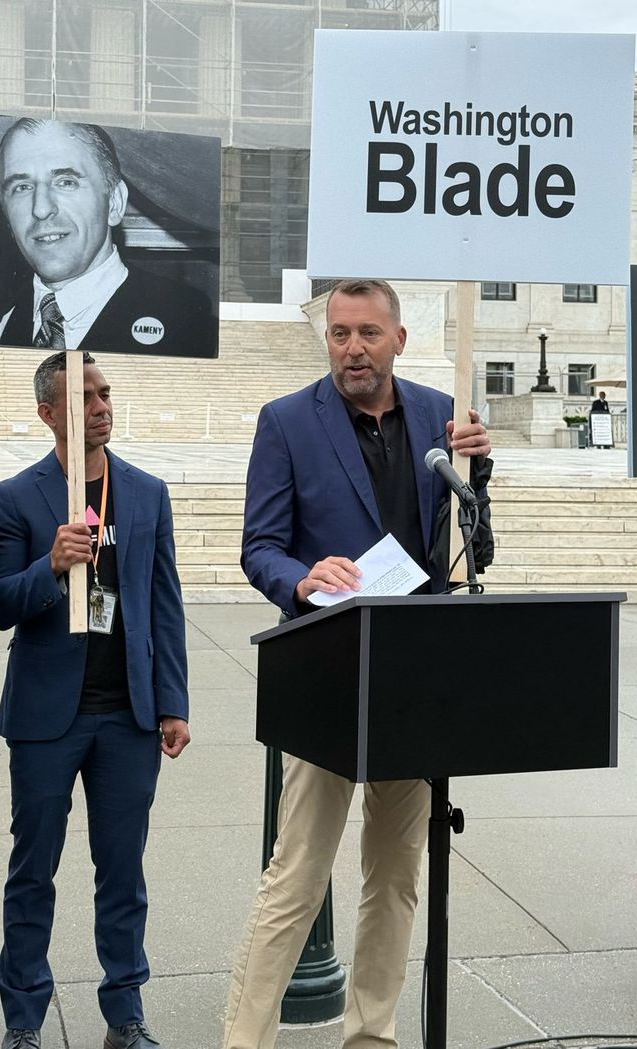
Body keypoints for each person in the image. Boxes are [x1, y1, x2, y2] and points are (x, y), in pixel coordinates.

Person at [224, 279, 493, 1049]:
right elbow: (259, 548)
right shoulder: (286, 422)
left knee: (397, 874)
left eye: (368, 333)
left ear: (399, 339)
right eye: (339, 333)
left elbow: (473, 553)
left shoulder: (444, 415)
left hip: (416, 677)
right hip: (329, 672)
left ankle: (371, 1036)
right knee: (297, 874)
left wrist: (481, 475)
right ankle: (244, 1039)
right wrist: (301, 579)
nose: (352, 348)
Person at [0, 351, 190, 1049]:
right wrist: (50, 566)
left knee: (122, 873)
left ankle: (125, 1014)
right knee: (32, 871)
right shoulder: (16, 497)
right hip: (48, 717)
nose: (102, 404)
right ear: (48, 413)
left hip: (128, 716)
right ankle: (23, 1020)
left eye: (106, 392)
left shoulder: (147, 492)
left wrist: (173, 702)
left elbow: (164, 605)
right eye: (85, 397)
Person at [0, 117, 214, 357]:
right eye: (22, 187)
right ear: (6, 215)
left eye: (66, 182)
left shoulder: (186, 323)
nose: (40, 209)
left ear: (114, 203)